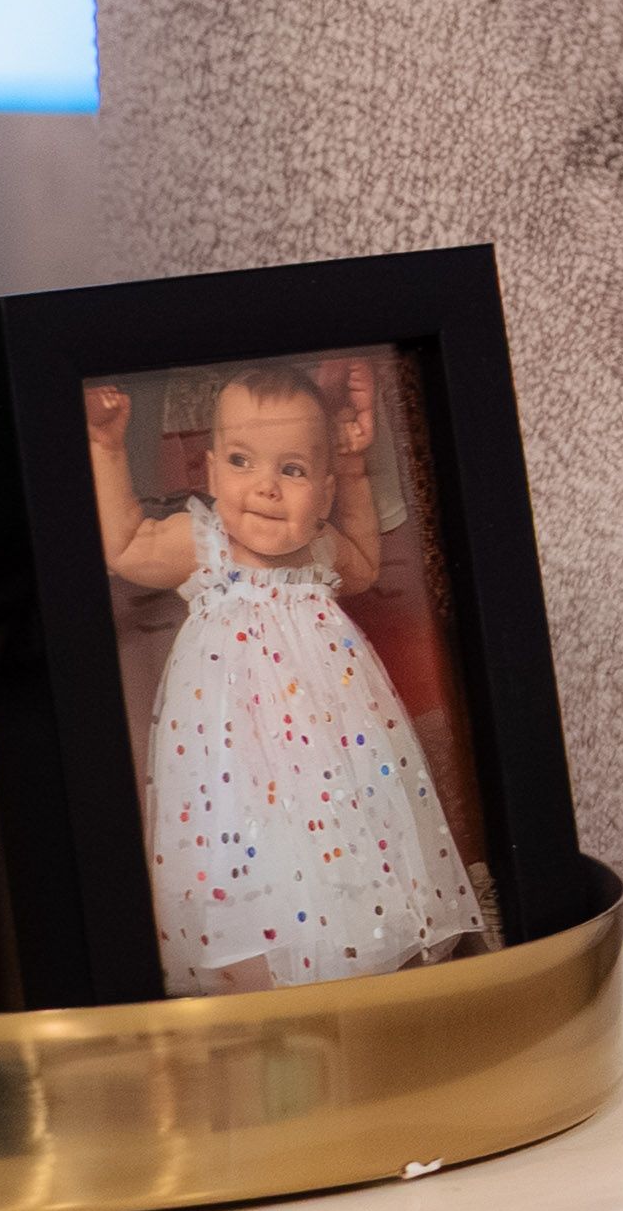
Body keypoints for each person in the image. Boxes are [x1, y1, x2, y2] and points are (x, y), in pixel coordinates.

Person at [88, 358, 486, 993]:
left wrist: (354, 466)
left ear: (323, 491)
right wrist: (106, 447)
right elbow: (126, 545)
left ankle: (354, 957)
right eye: (242, 462)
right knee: (247, 855)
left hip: (334, 747)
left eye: (293, 470)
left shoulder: (320, 545)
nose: (265, 487)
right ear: (211, 470)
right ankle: (259, 980)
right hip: (235, 755)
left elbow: (359, 567)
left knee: (349, 838)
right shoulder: (204, 542)